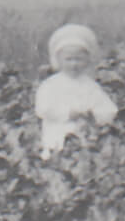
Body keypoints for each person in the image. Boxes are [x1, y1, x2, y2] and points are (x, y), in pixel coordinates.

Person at [35, 23, 117, 157]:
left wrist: (93, 115)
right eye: (68, 59)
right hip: (57, 135)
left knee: (85, 157)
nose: (74, 64)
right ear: (58, 61)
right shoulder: (50, 85)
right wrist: (67, 114)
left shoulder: (90, 86)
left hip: (84, 137)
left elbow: (107, 109)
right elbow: (43, 109)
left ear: (87, 61)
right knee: (57, 157)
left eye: (78, 59)